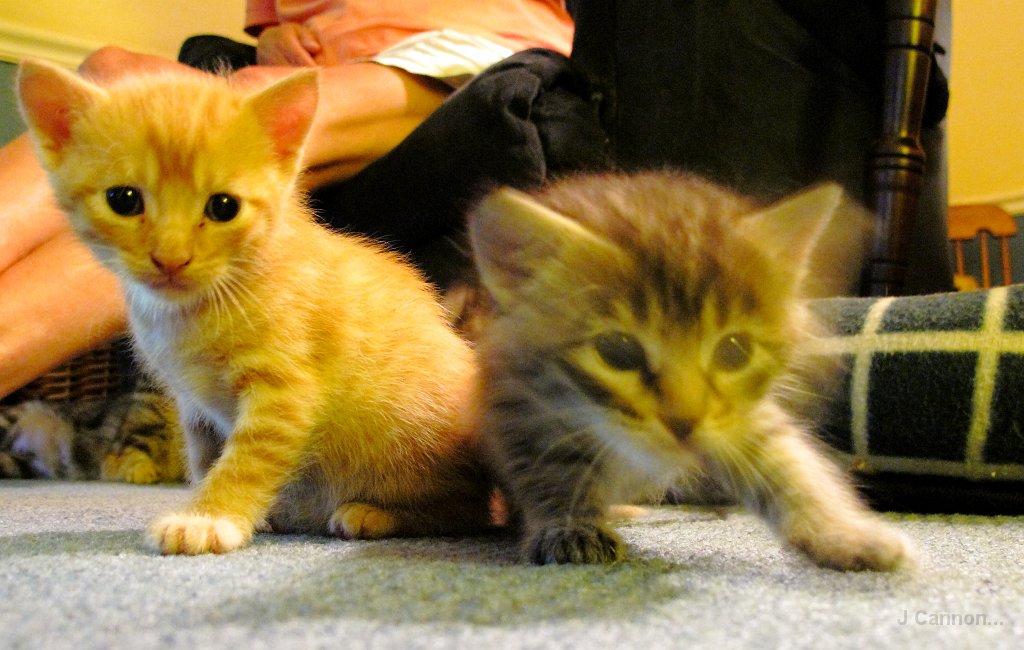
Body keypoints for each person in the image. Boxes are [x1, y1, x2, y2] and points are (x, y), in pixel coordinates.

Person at [0, 1, 574, 400]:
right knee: (109, 71)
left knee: (249, 112)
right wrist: (274, 38)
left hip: (465, 57)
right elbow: (274, 23)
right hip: (324, 63)